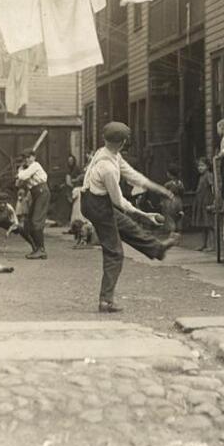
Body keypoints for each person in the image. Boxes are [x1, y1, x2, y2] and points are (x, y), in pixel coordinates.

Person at [80, 122, 179, 313]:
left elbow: (133, 176)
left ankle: (158, 249)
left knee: (127, 226)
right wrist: (144, 214)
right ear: (124, 142)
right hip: (96, 205)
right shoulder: (107, 167)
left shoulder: (109, 153)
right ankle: (105, 301)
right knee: (115, 252)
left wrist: (158, 188)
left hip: (94, 201)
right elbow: (119, 201)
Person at [16, 148, 50, 260]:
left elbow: (22, 177)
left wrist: (20, 170)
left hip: (42, 192)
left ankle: (41, 250)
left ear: (34, 157)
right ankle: (37, 248)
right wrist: (21, 171)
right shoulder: (28, 168)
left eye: (29, 157)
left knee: (36, 221)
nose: (27, 159)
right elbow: (18, 183)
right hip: (35, 194)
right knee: (28, 223)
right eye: (25, 158)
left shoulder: (35, 165)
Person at [191, 157, 216, 252]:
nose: (200, 168)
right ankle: (204, 244)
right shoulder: (201, 177)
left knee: (209, 225)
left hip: (207, 201)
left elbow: (213, 187)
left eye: (202, 165)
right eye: (199, 166)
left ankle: (212, 245)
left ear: (207, 166)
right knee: (203, 225)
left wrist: (214, 201)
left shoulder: (209, 175)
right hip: (201, 202)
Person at [161, 166, 185, 235]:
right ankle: (179, 233)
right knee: (179, 218)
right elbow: (182, 192)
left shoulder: (168, 184)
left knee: (170, 218)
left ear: (169, 174)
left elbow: (163, 193)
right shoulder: (180, 183)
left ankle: (172, 234)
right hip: (179, 201)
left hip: (170, 202)